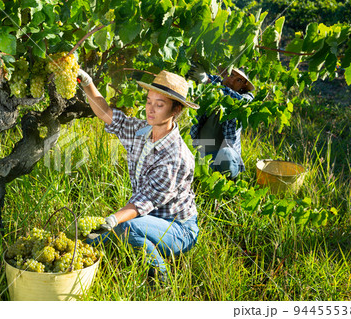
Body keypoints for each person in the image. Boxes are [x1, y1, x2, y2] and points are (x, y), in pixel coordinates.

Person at [77, 68, 200, 285]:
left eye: (159, 105)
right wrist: (86, 82)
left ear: (176, 110)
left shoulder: (177, 157)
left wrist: (113, 219)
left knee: (126, 227)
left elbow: (143, 202)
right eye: (149, 101)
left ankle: (162, 281)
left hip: (178, 229)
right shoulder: (142, 131)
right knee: (91, 240)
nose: (150, 109)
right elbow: (106, 113)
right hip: (149, 218)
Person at [189, 65, 255, 179]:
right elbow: (204, 78)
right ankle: (203, 171)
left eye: (239, 80)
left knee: (226, 154)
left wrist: (207, 82)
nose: (232, 80)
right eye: (231, 74)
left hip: (222, 158)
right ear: (225, 73)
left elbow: (233, 98)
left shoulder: (246, 99)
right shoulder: (215, 83)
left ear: (244, 85)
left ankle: (226, 177)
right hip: (202, 153)